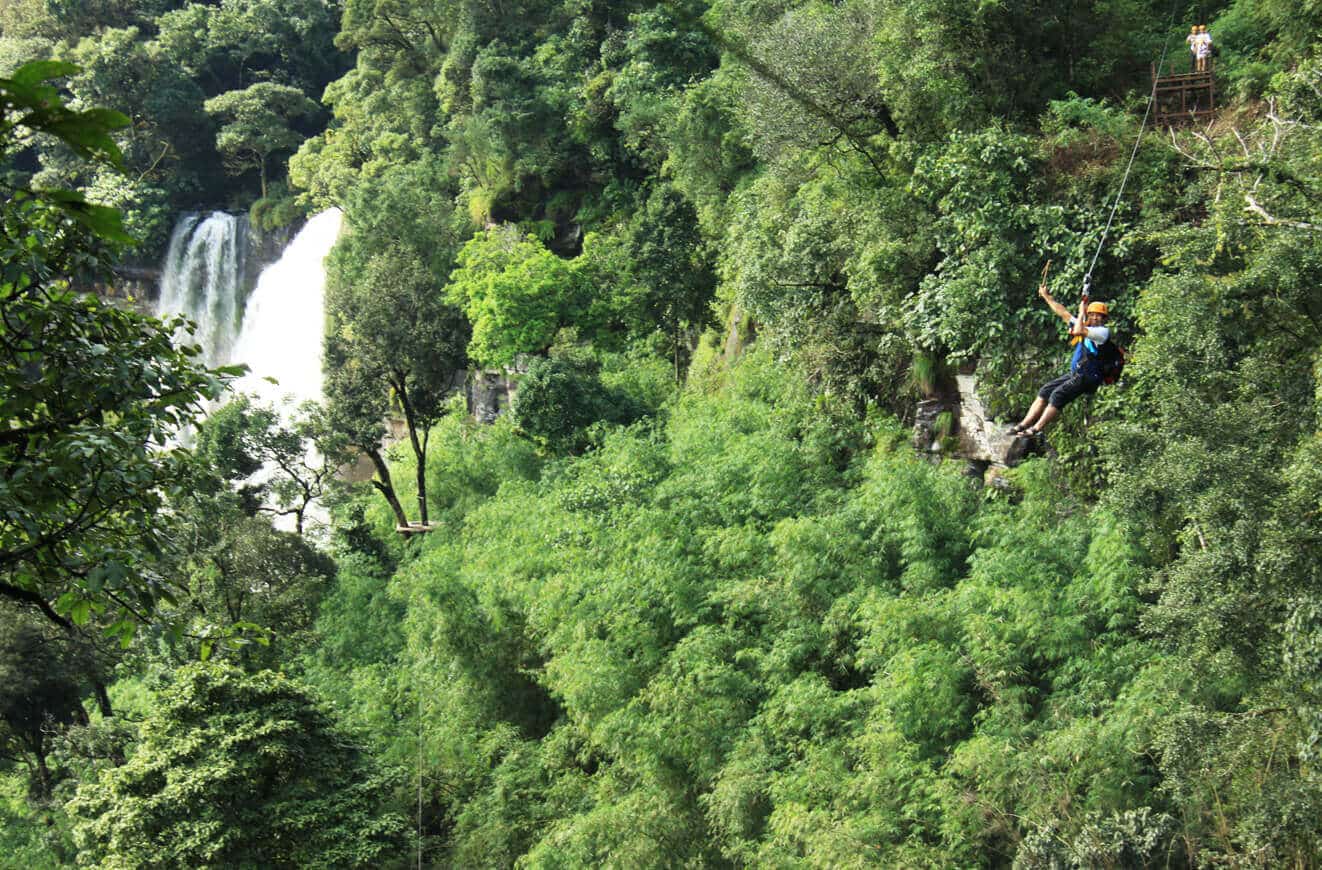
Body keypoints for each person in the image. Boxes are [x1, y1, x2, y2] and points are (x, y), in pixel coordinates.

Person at [1009, 275, 1112, 437]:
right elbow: (1062, 312)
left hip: (1088, 376)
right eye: (1092, 315)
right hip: (1077, 373)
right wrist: (1046, 296)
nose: (1094, 318)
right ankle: (1023, 424)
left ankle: (1035, 429)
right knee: (1045, 391)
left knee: (1057, 395)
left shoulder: (1102, 332)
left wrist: (1081, 312)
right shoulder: (1085, 325)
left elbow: (1078, 331)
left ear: (1104, 319)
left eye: (1098, 316)